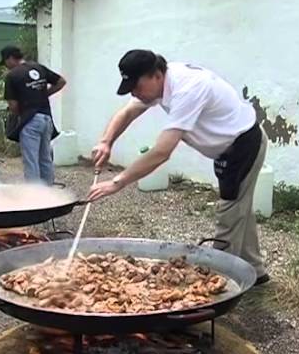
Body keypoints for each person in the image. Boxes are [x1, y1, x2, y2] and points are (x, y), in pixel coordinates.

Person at [87, 49, 270, 286]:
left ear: (156, 75)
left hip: (243, 144)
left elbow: (162, 152)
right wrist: (106, 141)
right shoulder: (158, 84)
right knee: (238, 208)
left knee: (229, 214)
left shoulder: (188, 89)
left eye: (136, 86)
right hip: (228, 146)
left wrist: (117, 182)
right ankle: (255, 271)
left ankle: (217, 284)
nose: (134, 92)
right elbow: (128, 112)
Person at [0, 45, 66, 186]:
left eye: (5, 62)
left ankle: (35, 198)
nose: (6, 66)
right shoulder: (38, 67)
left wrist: (20, 115)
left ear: (11, 58)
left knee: (31, 161)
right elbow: (61, 82)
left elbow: (13, 106)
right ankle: (49, 194)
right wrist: (43, 94)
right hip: (47, 119)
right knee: (45, 158)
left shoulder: (12, 76)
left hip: (30, 121)